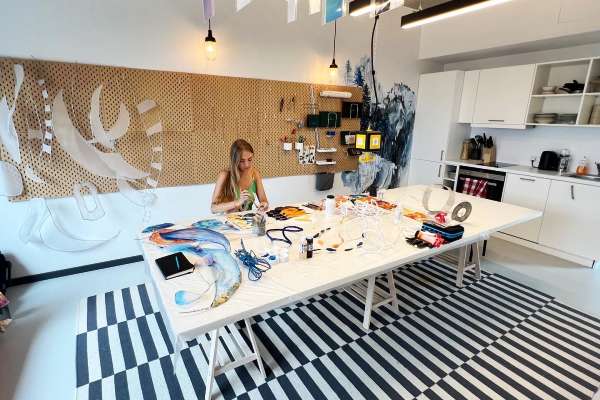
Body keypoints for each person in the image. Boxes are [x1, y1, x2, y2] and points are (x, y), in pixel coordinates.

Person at [211, 139, 269, 213]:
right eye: (242, 161)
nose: (247, 165)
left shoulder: (255, 173)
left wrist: (264, 205)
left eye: (250, 159)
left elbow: (264, 201)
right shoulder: (225, 175)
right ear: (234, 160)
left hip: (247, 219)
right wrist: (237, 202)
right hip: (228, 219)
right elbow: (213, 208)